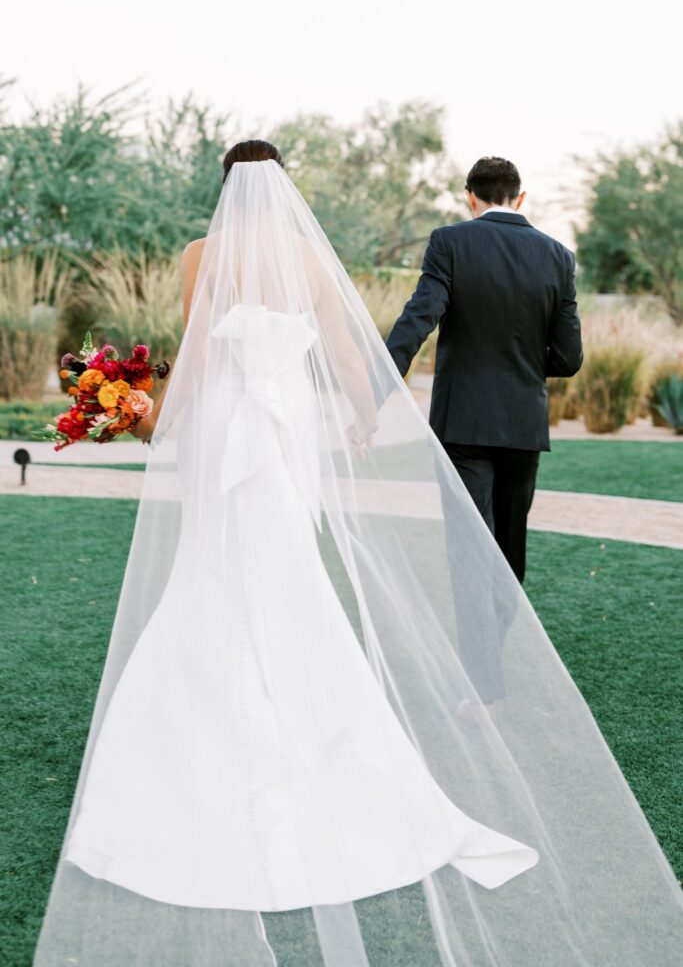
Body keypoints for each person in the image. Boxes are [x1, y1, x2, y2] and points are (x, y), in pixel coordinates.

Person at [33, 144, 683, 967]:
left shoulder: (202, 255)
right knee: (288, 572)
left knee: (216, 569)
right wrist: (362, 412)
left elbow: (194, 355)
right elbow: (344, 351)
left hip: (228, 425)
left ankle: (202, 746)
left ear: (227, 187)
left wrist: (155, 422)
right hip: (287, 433)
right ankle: (316, 730)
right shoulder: (308, 257)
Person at [386, 156, 583, 586]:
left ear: (469, 197)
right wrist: (524, 363)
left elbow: (420, 317)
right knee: (510, 551)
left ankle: (477, 652)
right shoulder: (559, 257)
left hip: (463, 423)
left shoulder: (449, 243)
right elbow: (569, 359)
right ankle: (504, 648)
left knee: (469, 546)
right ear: (520, 197)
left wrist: (377, 380)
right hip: (523, 425)